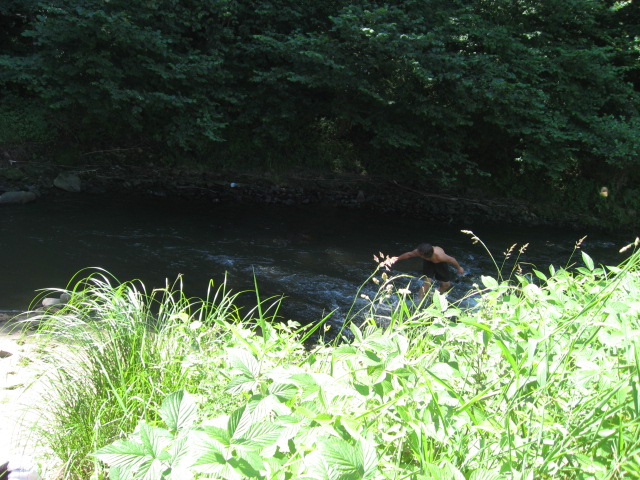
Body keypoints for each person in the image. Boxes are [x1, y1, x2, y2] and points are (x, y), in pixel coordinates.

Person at [383, 243, 464, 299]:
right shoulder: (419, 251)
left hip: (440, 264)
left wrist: (459, 268)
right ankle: (419, 302)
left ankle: (437, 297)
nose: (418, 254)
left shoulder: (440, 256)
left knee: (446, 285)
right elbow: (409, 254)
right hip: (428, 263)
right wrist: (396, 259)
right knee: (427, 282)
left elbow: (452, 260)